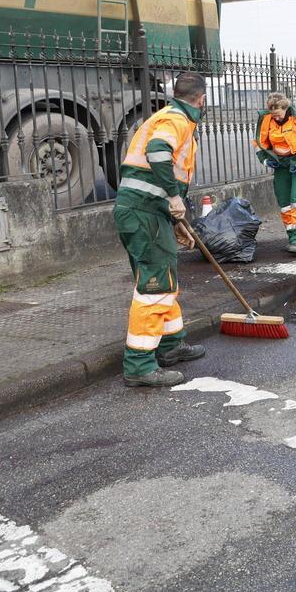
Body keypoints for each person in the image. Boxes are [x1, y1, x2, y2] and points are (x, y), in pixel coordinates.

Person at [113, 72, 207, 388]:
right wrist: (174, 197)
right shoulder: (176, 120)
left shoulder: (166, 116)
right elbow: (157, 151)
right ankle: (139, 365)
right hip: (144, 214)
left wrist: (176, 222)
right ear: (201, 99)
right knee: (155, 286)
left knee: (164, 280)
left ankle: (170, 344)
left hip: (145, 212)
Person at [254, 92, 296, 254]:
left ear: (286, 108)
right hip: (281, 165)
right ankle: (292, 237)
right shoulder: (266, 119)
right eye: (273, 115)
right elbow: (259, 143)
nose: (276, 118)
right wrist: (265, 160)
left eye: (279, 114)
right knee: (284, 203)